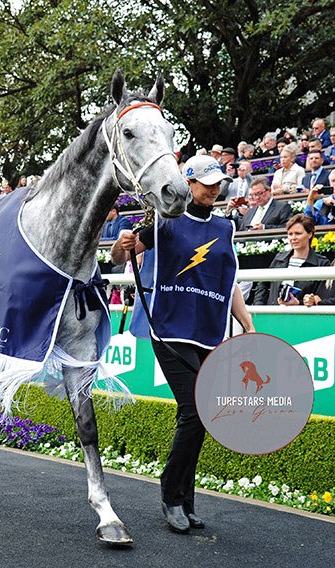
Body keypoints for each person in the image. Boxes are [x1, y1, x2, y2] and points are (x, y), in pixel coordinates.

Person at [110, 154, 254, 534]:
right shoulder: (164, 220)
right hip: (169, 329)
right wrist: (123, 244)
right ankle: (171, 494)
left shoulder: (226, 228)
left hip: (208, 330)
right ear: (187, 183)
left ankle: (185, 500)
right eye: (206, 182)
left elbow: (229, 280)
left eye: (218, 182)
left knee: (200, 415)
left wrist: (247, 322)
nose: (214, 188)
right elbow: (120, 255)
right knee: (194, 411)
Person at [251, 214, 331, 305]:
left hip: (302, 316)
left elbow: (321, 298)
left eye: (298, 233)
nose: (293, 238)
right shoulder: (279, 258)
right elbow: (262, 285)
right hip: (274, 314)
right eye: (290, 234)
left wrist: (298, 303)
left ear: (310, 234)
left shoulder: (322, 263)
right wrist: (259, 307)